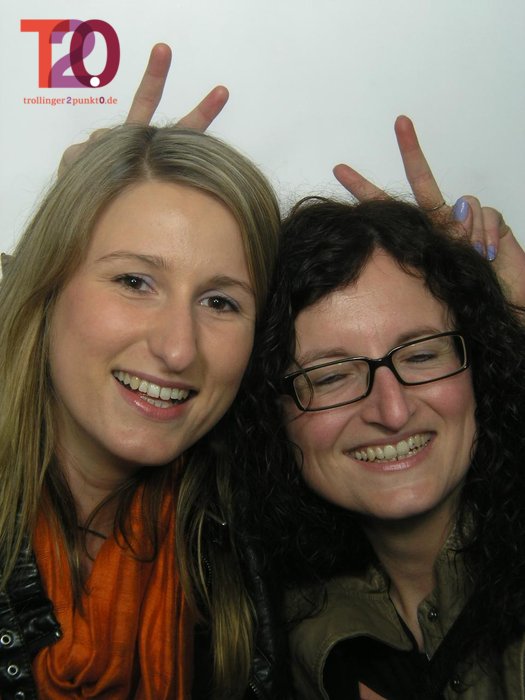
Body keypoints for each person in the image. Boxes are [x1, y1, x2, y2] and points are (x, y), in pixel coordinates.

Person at [0, 119, 282, 698]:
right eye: (134, 281)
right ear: (47, 284)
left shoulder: (271, 532)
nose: (178, 349)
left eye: (220, 301)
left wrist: (478, 306)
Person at [241, 186, 525, 698]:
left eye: (421, 355)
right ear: (270, 414)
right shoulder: (280, 632)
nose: (392, 412)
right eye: (330, 377)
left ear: (483, 366)